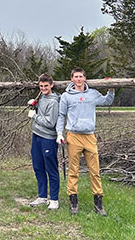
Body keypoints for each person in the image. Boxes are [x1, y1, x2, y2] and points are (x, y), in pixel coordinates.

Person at [56, 67, 114, 216]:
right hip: (73, 136)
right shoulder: (66, 96)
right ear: (72, 79)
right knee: (73, 170)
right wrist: (59, 133)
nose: (79, 79)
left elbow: (107, 101)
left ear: (85, 78)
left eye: (81, 76)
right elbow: (61, 115)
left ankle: (98, 203)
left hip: (89, 136)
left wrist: (111, 89)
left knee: (95, 171)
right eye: (76, 76)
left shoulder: (92, 94)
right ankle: (73, 202)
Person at [28, 73, 61, 210]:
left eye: (46, 86)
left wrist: (35, 116)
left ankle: (54, 199)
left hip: (48, 138)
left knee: (51, 168)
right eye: (41, 86)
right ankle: (42, 196)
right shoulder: (41, 96)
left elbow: (50, 122)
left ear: (51, 85)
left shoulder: (53, 101)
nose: (43, 88)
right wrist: (33, 106)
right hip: (36, 136)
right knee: (38, 167)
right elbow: (40, 113)